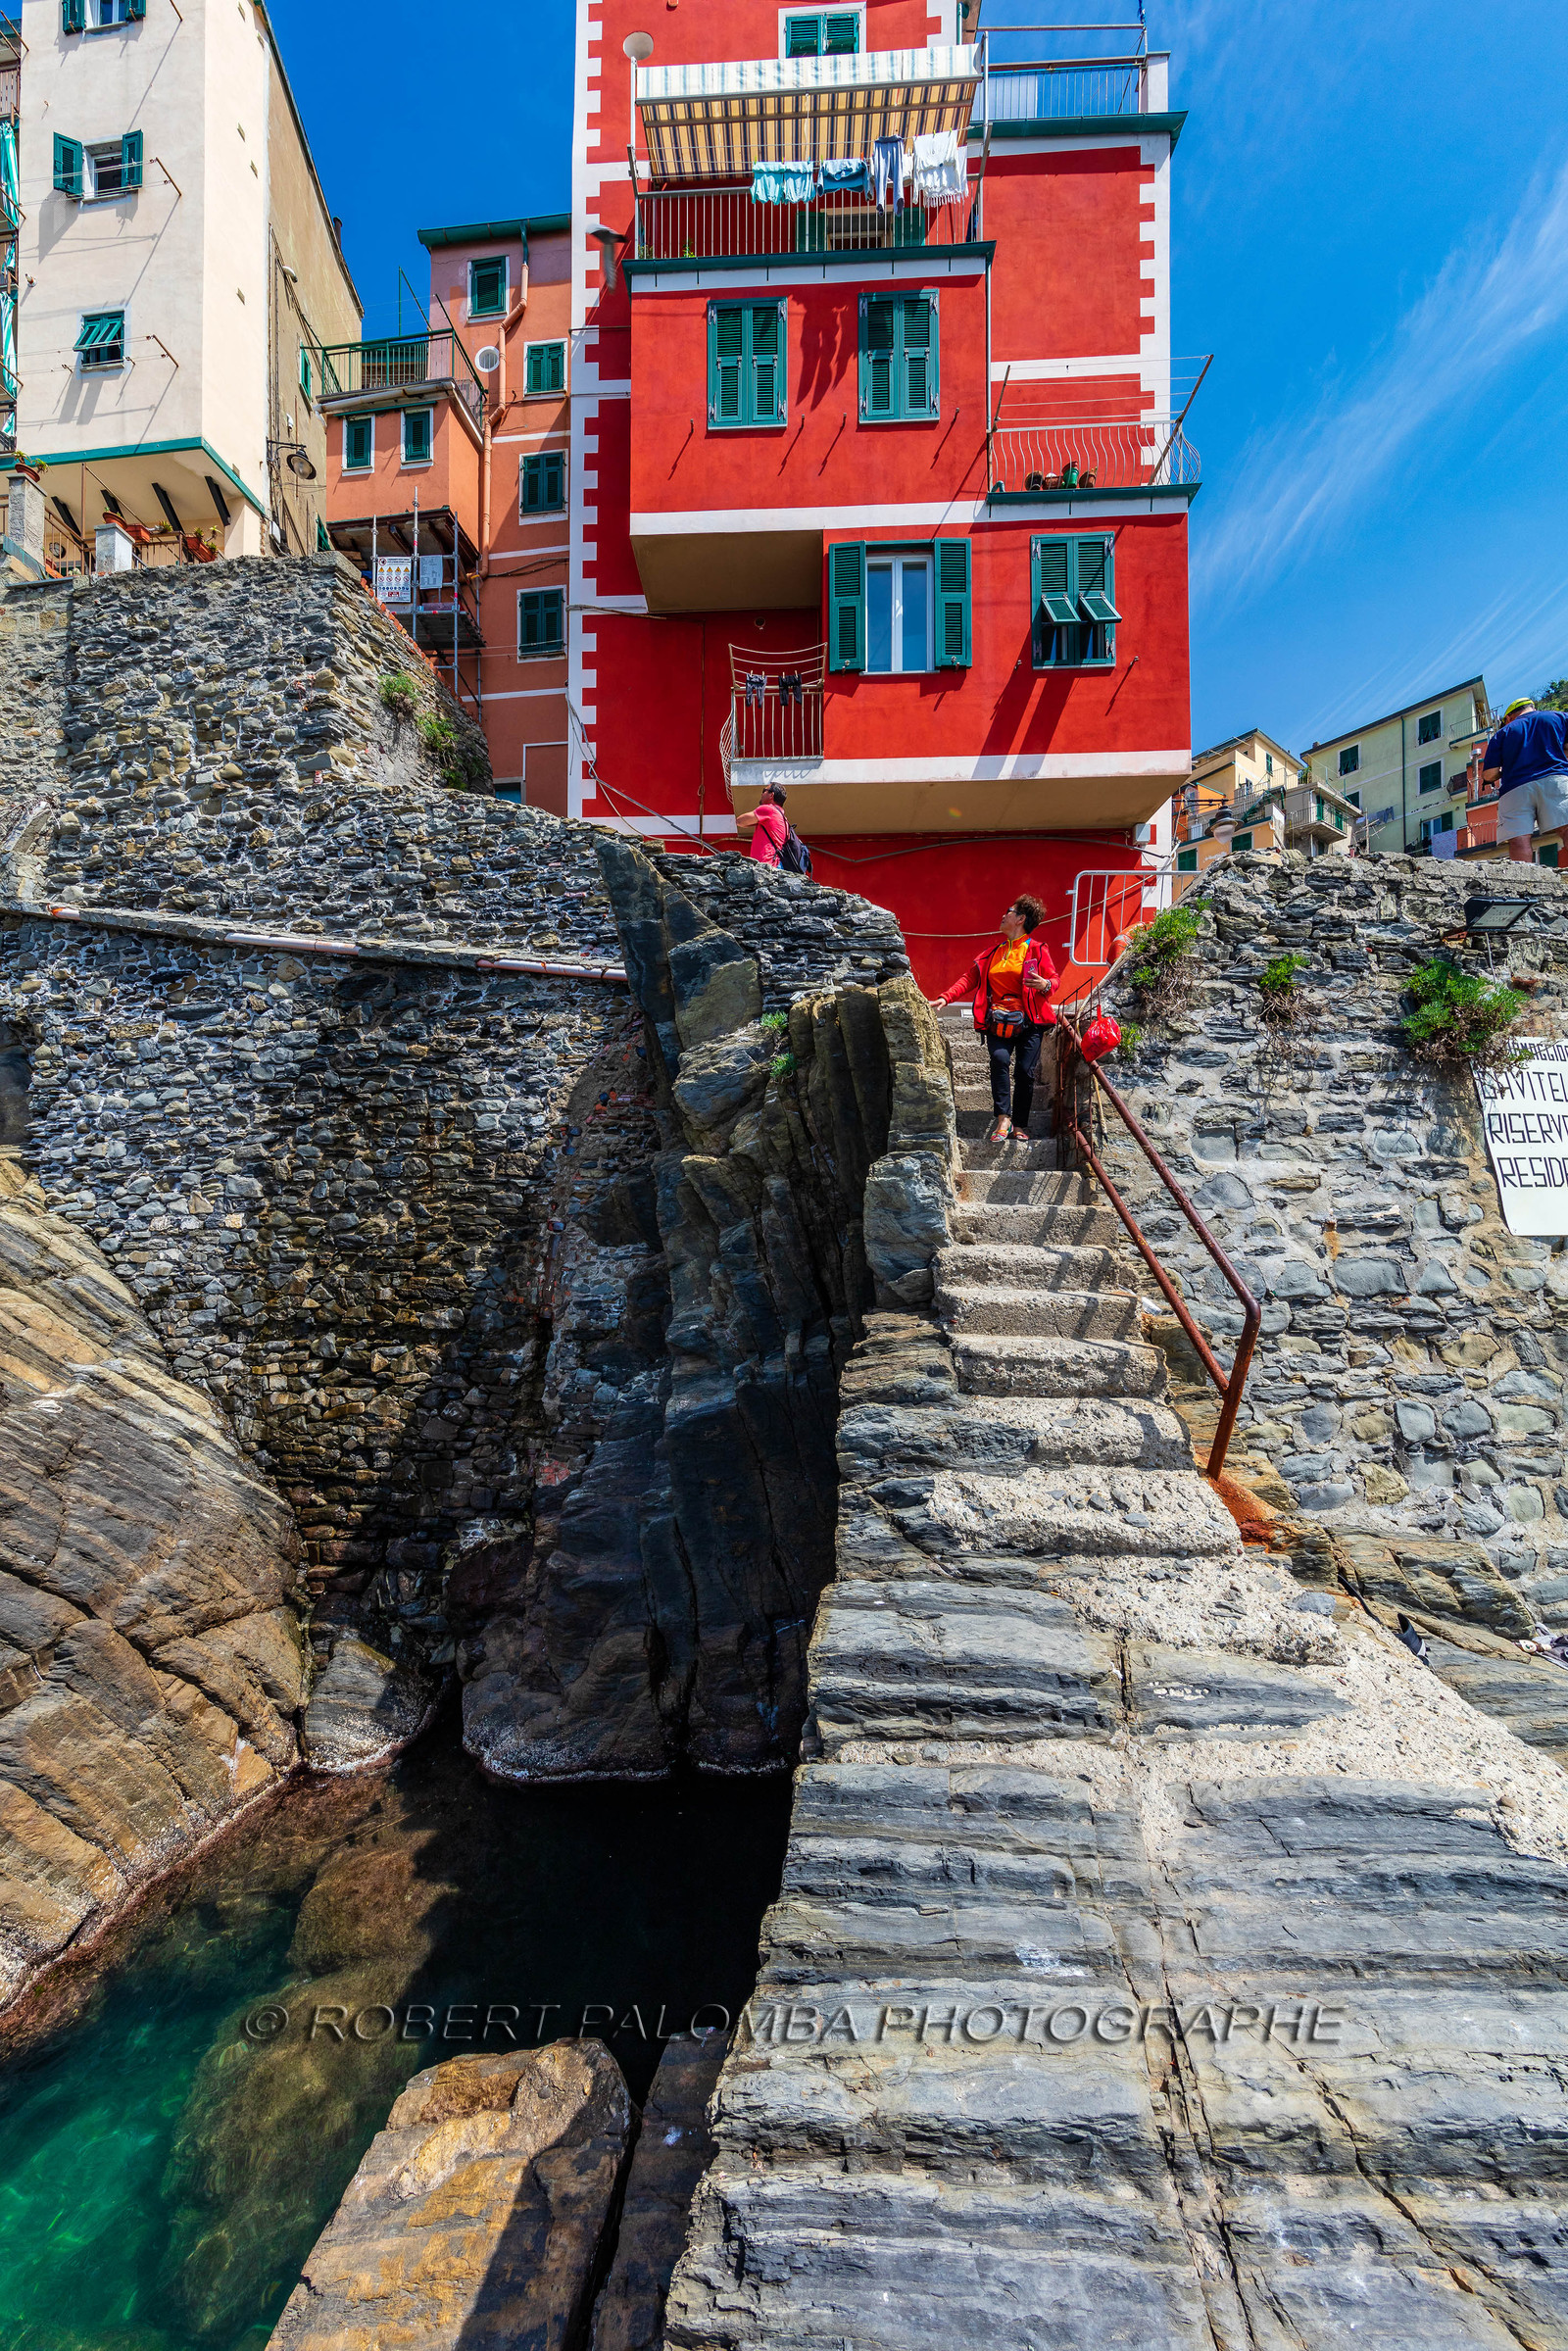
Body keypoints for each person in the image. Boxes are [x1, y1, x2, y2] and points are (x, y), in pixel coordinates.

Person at [931, 896, 1057, 1143]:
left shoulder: (1037, 949)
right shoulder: (992, 953)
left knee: (1025, 1071)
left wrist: (1045, 984)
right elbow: (969, 979)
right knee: (999, 1060)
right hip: (997, 1020)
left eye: (1008, 911)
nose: (1003, 915)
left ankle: (1019, 1124)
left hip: (1030, 1021)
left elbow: (1054, 980)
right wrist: (945, 998)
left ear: (1020, 919)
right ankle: (1003, 1119)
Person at [1482, 697, 1568, 864]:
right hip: (1556, 779)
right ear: (1532, 708)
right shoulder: (1559, 717)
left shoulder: (1502, 733)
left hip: (1515, 788)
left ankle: (1524, 879)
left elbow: (1489, 774)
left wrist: (1503, 770)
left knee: (1518, 838)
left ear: (1509, 717)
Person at [738, 784, 789, 867]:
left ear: (771, 795)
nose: (762, 794)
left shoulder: (768, 809)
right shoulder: (782, 817)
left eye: (764, 791)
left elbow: (740, 821)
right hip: (776, 863)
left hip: (766, 863)